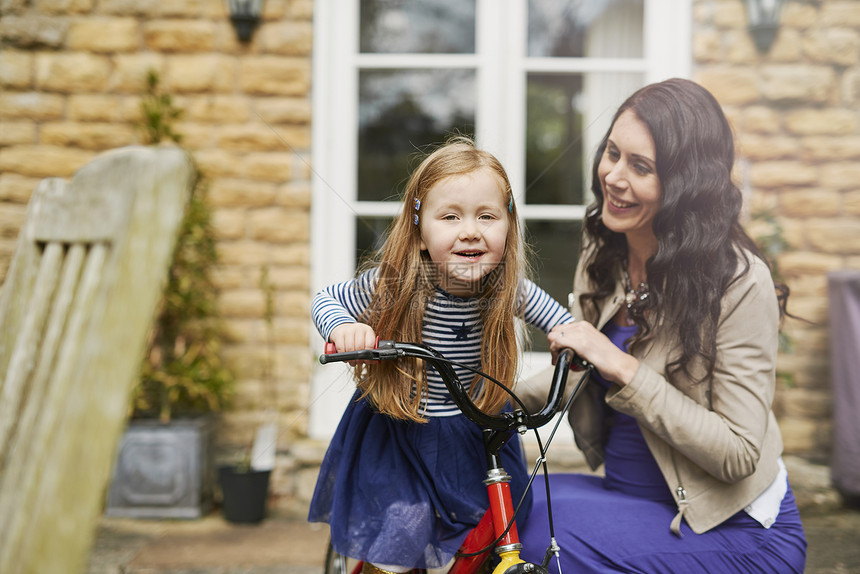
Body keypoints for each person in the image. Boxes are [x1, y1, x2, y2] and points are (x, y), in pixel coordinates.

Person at [517, 78, 807, 573]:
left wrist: (623, 367)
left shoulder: (738, 282)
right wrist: (490, 400)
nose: (614, 176)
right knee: (491, 502)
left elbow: (738, 452)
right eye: (613, 153)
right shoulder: (605, 248)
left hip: (730, 528)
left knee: (527, 543)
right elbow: (581, 370)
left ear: (686, 186)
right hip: (629, 497)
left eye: (642, 167)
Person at [309, 137, 573, 573]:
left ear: (508, 226)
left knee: (487, 532)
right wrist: (344, 327)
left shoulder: (507, 289)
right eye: (450, 216)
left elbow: (563, 323)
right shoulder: (396, 283)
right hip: (402, 432)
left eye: (486, 216)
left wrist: (574, 340)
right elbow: (327, 299)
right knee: (398, 541)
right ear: (419, 231)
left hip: (475, 432)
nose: (470, 230)